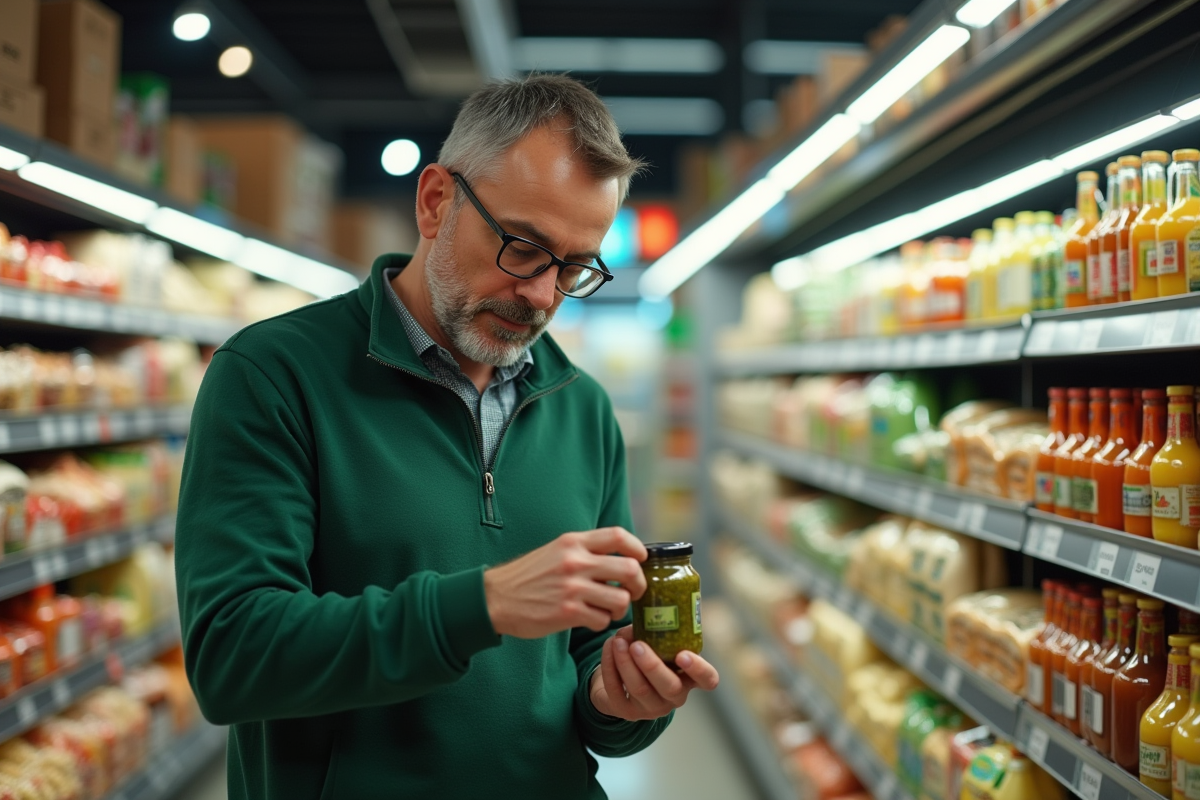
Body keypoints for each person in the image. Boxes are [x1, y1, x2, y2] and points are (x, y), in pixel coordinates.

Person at [174, 73, 719, 799]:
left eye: (574, 267)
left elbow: (590, 656)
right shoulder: (273, 375)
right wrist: (480, 605)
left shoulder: (582, 409)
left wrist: (623, 703)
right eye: (523, 247)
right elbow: (232, 658)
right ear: (436, 201)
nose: (541, 294)